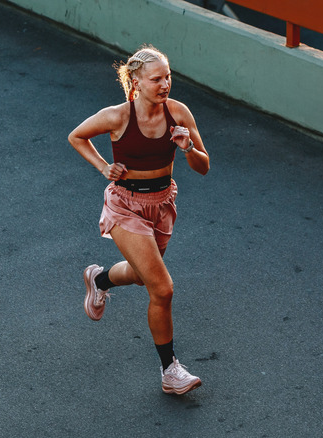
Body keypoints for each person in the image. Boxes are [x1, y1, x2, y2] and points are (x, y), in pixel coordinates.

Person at [68, 45, 210, 395]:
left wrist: (188, 147)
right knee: (162, 288)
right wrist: (104, 166)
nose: (165, 84)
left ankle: (99, 279)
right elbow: (77, 136)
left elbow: (204, 166)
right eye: (157, 78)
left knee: (140, 274)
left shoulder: (178, 113)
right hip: (124, 205)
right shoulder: (117, 116)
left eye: (168, 77)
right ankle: (170, 371)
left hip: (162, 203)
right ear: (136, 82)